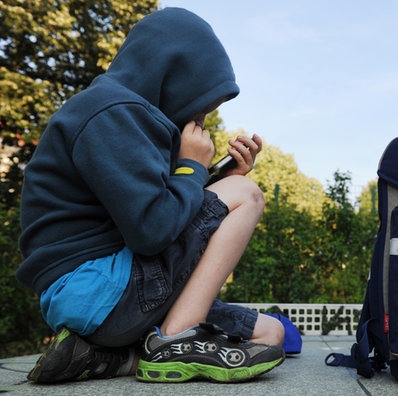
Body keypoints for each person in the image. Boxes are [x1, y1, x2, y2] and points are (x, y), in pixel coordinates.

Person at [16, 7, 285, 383]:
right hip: (96, 286)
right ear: (173, 74)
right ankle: (173, 341)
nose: (200, 119)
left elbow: (156, 212)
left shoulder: (126, 118)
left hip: (106, 296)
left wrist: (216, 176)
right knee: (247, 194)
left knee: (272, 333)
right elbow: (152, 231)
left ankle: (106, 357)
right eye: (201, 105)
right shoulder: (111, 111)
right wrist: (195, 170)